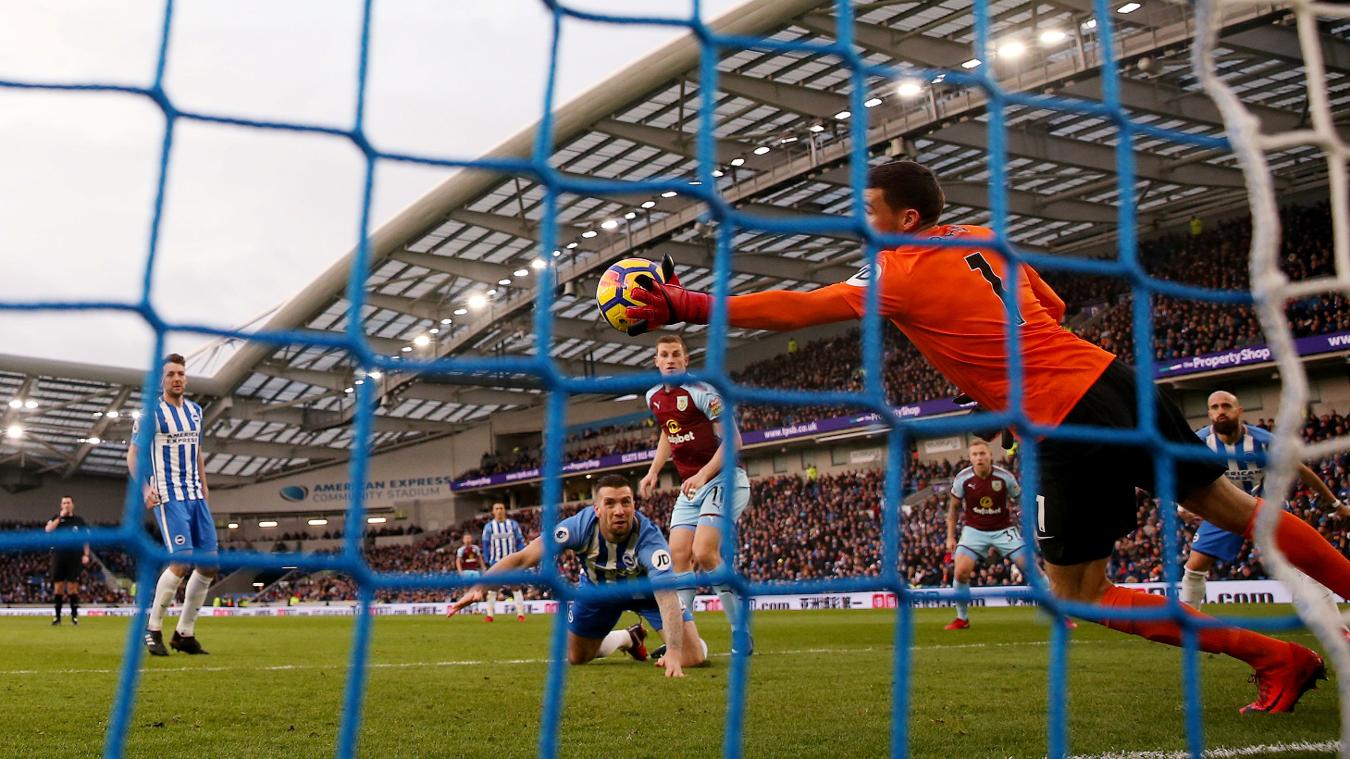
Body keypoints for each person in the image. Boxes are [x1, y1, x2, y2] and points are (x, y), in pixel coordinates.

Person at [625, 159, 1350, 713]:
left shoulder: (899, 269)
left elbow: (802, 307)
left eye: (870, 209)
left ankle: (1275, 655)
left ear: (904, 219)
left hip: (1067, 414)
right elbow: (1053, 304)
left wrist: (688, 303)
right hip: (1117, 380)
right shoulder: (983, 241)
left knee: (1081, 593)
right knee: (1234, 508)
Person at [450, 475, 706, 676]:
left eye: (626, 502)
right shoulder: (577, 528)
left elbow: (665, 591)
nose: (619, 511)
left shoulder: (650, 539)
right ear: (597, 509)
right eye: (610, 503)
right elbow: (524, 557)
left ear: (633, 505)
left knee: (693, 657)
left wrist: (673, 651)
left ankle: (678, 644)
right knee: (578, 657)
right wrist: (481, 587)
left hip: (646, 593)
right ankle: (627, 637)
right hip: (597, 591)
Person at [1181, 391, 1348, 636]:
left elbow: (1302, 471)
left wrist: (1336, 504)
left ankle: (1337, 629)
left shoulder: (1264, 440)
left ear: (1239, 411)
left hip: (1267, 508)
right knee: (1195, 564)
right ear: (1208, 414)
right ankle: (1188, 625)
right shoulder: (1199, 441)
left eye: (1226, 405)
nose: (1220, 411)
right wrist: (1182, 505)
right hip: (1225, 507)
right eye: (1214, 407)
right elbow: (1183, 471)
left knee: (1302, 565)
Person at [639, 334, 751, 652]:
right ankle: (683, 639)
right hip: (692, 487)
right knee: (678, 556)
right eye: (665, 355)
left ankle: (740, 629)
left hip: (723, 479)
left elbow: (735, 441)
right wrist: (653, 471)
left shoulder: (703, 391)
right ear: (656, 361)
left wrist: (704, 474)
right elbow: (668, 432)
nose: (671, 360)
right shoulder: (654, 397)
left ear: (686, 360)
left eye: (676, 354)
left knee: (704, 552)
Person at [127, 353, 217, 657]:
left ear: (186, 377)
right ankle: (152, 629)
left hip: (195, 495)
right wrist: (145, 488)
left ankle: (184, 634)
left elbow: (198, 451)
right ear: (161, 380)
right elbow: (133, 455)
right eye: (170, 374)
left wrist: (204, 484)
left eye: (180, 373)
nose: (177, 378)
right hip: (169, 495)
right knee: (181, 560)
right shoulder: (150, 414)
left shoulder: (195, 411)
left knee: (209, 565)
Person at [943, 440, 1039, 630]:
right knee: (960, 572)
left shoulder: (1005, 477)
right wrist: (950, 536)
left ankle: (1056, 613)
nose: (979, 458)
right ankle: (962, 619)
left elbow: (1023, 502)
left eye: (982, 454)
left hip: (1003, 530)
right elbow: (953, 509)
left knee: (1032, 568)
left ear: (990, 456)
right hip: (974, 531)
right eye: (975, 454)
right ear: (970, 458)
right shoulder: (963, 479)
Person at [45, 496, 91, 626]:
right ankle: (57, 618)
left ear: (72, 505)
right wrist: (60, 518)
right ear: (61, 505)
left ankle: (74, 617)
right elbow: (48, 530)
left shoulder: (79, 521)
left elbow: (85, 539)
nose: (66, 505)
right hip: (58, 555)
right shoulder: (56, 518)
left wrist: (86, 554)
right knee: (58, 587)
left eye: (68, 502)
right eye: (64, 502)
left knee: (72, 587)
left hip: (74, 555)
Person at [481, 502, 527, 622]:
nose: (499, 510)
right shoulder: (489, 527)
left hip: (511, 562)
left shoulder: (513, 524)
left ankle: (521, 614)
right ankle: (490, 615)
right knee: (492, 588)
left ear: (505, 510)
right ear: (493, 511)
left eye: (501, 508)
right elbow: (485, 545)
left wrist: (522, 556)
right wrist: (486, 560)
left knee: (515, 587)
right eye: (497, 508)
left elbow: (520, 541)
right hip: (496, 562)